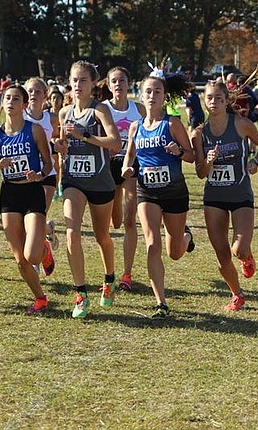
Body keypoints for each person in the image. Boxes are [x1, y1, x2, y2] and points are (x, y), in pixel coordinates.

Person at [121, 69, 194, 318]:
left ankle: (185, 237)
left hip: (174, 193)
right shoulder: (135, 126)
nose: (152, 96)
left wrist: (178, 151)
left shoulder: (172, 124)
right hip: (147, 191)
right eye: (148, 92)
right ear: (141, 95)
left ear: (165, 97)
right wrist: (126, 167)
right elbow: (130, 154)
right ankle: (161, 303)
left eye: (157, 92)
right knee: (152, 244)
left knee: (174, 253)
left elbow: (192, 156)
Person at [191, 81, 258, 312]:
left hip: (241, 194)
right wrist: (208, 161)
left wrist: (254, 162)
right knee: (222, 255)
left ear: (227, 101)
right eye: (209, 98)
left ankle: (247, 256)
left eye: (218, 98)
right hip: (214, 197)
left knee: (238, 250)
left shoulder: (242, 124)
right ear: (204, 101)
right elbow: (200, 173)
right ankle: (237, 294)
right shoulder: (199, 133)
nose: (213, 103)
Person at [0, 85, 55, 314]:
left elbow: (48, 163)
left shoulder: (35, 130)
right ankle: (40, 298)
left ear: (23, 104)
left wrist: (39, 174)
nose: (11, 101)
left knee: (32, 255)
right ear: (2, 103)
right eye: (7, 98)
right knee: (20, 259)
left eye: (16, 98)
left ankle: (44, 251)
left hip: (32, 191)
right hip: (9, 194)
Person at [54, 61, 121, 318]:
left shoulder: (99, 110)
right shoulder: (64, 113)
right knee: (72, 232)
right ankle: (80, 294)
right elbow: (63, 144)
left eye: (83, 80)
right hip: (74, 181)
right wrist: (60, 147)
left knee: (102, 236)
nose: (77, 85)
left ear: (93, 84)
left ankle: (109, 278)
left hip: (100, 183)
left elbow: (115, 143)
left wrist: (85, 136)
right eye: (74, 80)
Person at [103, 67, 146, 292]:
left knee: (129, 221)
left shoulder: (139, 109)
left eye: (122, 80)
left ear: (129, 84)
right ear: (108, 86)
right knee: (115, 222)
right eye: (114, 81)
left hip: (131, 165)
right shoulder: (103, 110)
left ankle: (127, 274)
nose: (118, 84)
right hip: (108, 166)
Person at [24, 76, 60, 273]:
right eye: (30, 91)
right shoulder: (20, 116)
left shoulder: (52, 119)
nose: (33, 95)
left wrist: (60, 145)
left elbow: (57, 142)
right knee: (29, 220)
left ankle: (36, 261)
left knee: (36, 218)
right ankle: (48, 234)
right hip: (24, 175)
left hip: (47, 173)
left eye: (38, 92)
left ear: (45, 96)